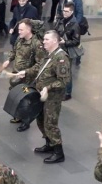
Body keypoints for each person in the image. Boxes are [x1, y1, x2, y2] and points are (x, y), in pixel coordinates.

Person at [18, 30, 71, 163]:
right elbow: (38, 67)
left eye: (47, 39)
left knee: (50, 123)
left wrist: (48, 87)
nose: (44, 41)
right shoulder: (49, 55)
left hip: (52, 97)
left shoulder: (61, 58)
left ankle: (58, 152)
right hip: (41, 95)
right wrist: (25, 72)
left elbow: (64, 81)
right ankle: (49, 144)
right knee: (40, 120)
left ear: (54, 41)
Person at [2, 19, 42, 130]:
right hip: (16, 76)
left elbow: (40, 64)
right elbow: (14, 51)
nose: (18, 31)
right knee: (16, 97)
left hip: (27, 79)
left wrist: (26, 72)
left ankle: (26, 121)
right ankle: (18, 116)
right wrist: (8, 60)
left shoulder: (36, 44)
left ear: (28, 30)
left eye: (21, 29)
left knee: (26, 100)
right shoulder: (19, 39)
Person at [54, 2, 81, 101]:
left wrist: (64, 42)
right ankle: (60, 89)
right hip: (59, 50)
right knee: (58, 70)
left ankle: (68, 92)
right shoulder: (61, 20)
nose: (64, 13)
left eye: (67, 11)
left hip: (67, 52)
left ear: (72, 12)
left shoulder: (75, 24)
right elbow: (56, 30)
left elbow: (76, 41)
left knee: (66, 72)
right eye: (63, 11)